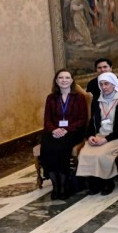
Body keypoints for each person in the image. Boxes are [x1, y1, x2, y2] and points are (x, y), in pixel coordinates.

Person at [77, 72, 118, 196]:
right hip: (99, 135)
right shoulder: (97, 100)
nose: (104, 87)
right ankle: (94, 182)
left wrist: (106, 139)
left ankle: (107, 182)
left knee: (101, 154)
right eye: (101, 84)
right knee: (85, 153)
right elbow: (92, 121)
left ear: (113, 84)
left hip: (117, 136)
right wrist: (90, 136)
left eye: (107, 84)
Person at [41, 69, 87, 199]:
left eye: (67, 78)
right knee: (47, 147)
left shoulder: (79, 97)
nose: (64, 80)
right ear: (56, 81)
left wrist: (66, 129)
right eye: (61, 78)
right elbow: (47, 119)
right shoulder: (51, 98)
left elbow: (82, 119)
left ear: (72, 81)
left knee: (60, 148)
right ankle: (55, 185)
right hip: (53, 131)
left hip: (73, 131)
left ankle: (64, 185)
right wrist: (54, 130)